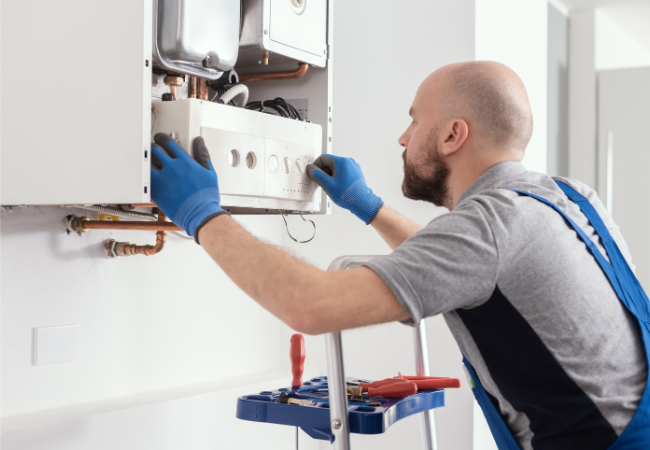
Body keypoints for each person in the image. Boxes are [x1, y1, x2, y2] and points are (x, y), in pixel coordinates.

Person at [150, 61, 649, 450]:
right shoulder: (568, 197)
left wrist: (203, 214)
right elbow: (463, 265)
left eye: (414, 121)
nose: (403, 137)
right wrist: (369, 207)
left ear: (453, 135)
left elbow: (311, 306)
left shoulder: (490, 228)